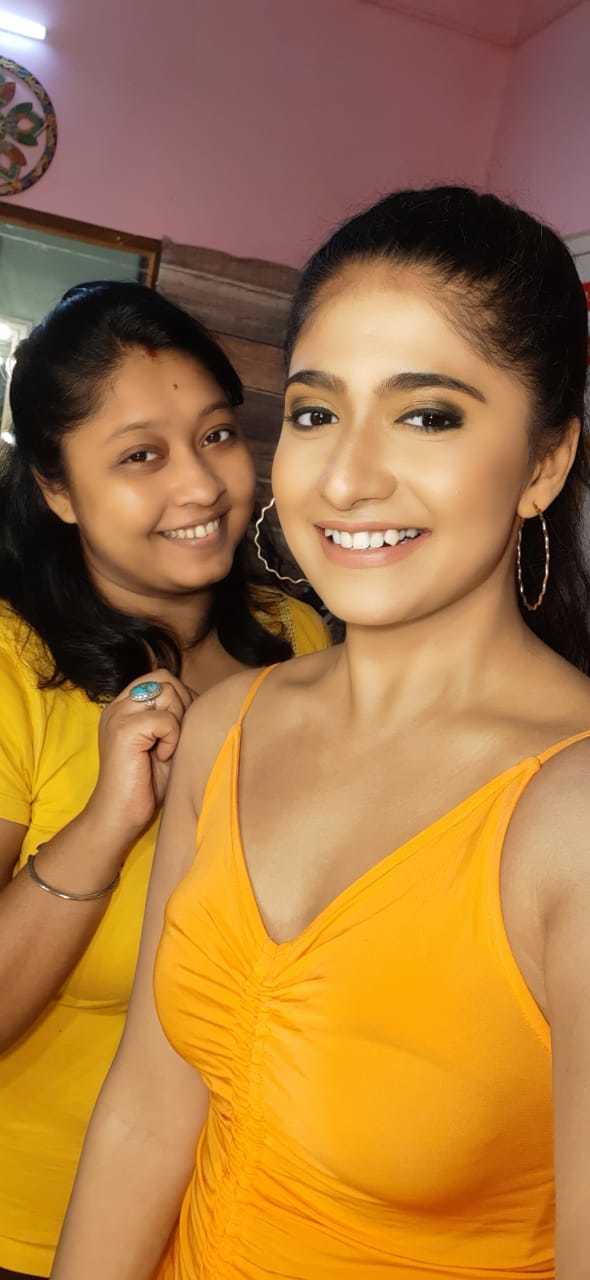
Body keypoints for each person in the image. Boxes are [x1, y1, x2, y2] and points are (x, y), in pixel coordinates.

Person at [53, 188, 590, 1280]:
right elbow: (148, 1111)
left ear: (543, 462)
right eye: (313, 413)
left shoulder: (568, 824)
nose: (345, 478)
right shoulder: (228, 726)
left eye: (427, 415)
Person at [0, 281, 329, 1280]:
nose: (201, 485)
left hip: (231, 1225)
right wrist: (109, 820)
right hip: (30, 1231)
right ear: (57, 489)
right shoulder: (13, 665)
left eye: (217, 434)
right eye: (141, 455)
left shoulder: (299, 641)